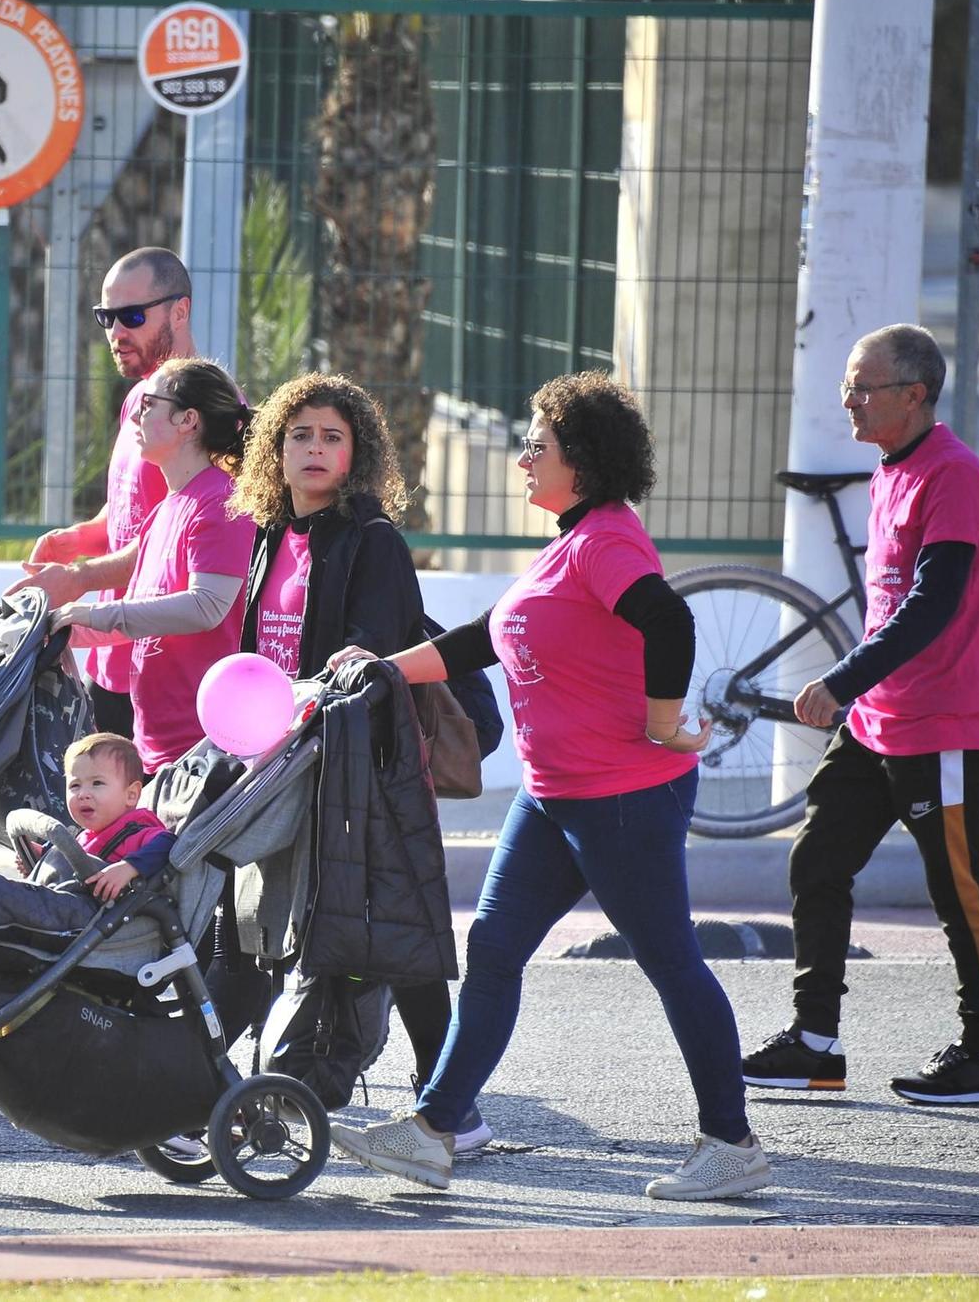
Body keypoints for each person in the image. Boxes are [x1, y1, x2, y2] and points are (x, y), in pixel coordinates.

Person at [324, 372, 772, 1202]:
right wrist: (384, 668)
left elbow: (668, 621)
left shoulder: (605, 540)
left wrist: (665, 720)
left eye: (539, 444)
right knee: (493, 952)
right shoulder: (567, 543)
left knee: (671, 960)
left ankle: (731, 1143)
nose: (523, 456)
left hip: (622, 797)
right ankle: (433, 1131)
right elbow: (480, 641)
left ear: (585, 463)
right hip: (553, 793)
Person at [742, 324, 979, 1106]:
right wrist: (859, 696)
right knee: (817, 859)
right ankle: (816, 1042)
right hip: (877, 724)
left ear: (916, 394)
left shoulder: (954, 476)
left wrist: (841, 680)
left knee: (959, 889)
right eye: (848, 387)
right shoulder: (890, 468)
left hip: (942, 724)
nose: (851, 400)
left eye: (865, 387)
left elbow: (931, 606)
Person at [231, 371, 489, 1152]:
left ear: (356, 453)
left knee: (394, 928)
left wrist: (344, 665)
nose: (314, 448)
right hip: (282, 759)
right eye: (300, 434)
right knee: (277, 918)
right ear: (275, 450)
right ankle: (261, 1075)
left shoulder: (373, 541)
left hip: (359, 765)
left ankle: (451, 1104)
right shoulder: (272, 536)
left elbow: (376, 649)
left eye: (331, 437)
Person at [27, 357, 256, 775]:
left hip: (204, 752)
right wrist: (54, 630)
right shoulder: (169, 506)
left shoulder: (221, 502)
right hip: (157, 750)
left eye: (150, 403)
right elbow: (141, 611)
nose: (136, 411)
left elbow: (207, 607)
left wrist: (93, 611)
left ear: (188, 420)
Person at [26, 247, 194, 738]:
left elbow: (177, 542)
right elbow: (132, 508)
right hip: (113, 657)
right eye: (107, 317)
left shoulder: (206, 412)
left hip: (163, 670)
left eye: (132, 316)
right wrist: (77, 538)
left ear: (179, 311)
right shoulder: (142, 397)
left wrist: (78, 579)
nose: (116, 333)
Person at [41, 732, 176, 902]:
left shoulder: (135, 832)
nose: (83, 794)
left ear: (131, 795)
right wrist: (42, 855)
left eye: (97, 783)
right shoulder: (84, 835)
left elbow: (169, 843)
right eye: (75, 785)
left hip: (95, 916)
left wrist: (129, 867)